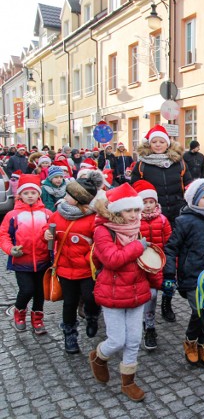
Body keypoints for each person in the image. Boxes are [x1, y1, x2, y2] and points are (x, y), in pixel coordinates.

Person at [89, 183, 162, 402]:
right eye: (128, 210)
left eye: (136, 210)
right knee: (117, 340)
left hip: (136, 290)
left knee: (134, 340)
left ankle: (128, 382)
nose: (134, 215)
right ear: (116, 210)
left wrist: (157, 279)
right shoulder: (102, 230)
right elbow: (112, 260)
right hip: (112, 293)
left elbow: (146, 260)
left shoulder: (136, 228)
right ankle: (99, 356)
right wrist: (138, 247)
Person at [163, 179, 204, 367]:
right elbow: (171, 248)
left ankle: (203, 344)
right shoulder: (184, 221)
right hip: (192, 277)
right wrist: (169, 274)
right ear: (194, 200)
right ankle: (190, 342)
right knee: (199, 311)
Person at [44, 171, 103, 353]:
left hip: (86, 269)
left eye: (69, 195)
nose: (65, 196)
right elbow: (48, 233)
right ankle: (70, 335)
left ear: (78, 199)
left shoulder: (93, 219)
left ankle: (92, 316)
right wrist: (45, 235)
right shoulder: (58, 214)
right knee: (69, 303)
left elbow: (99, 245)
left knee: (91, 297)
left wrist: (87, 259)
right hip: (64, 268)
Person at [0, 175, 53, 334]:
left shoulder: (46, 213)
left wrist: (48, 236)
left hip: (43, 260)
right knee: (27, 290)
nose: (30, 196)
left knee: (40, 292)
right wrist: (10, 249)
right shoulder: (13, 215)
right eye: (26, 193)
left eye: (33, 192)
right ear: (20, 195)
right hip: (22, 261)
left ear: (39, 194)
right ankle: (20, 311)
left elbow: (51, 231)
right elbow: (4, 235)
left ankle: (37, 319)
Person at [134, 180, 172, 351]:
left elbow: (169, 242)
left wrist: (170, 264)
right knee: (145, 295)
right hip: (139, 266)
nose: (148, 206)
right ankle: (146, 324)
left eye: (151, 202)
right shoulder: (134, 221)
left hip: (158, 265)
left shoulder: (163, 220)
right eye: (144, 202)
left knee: (154, 294)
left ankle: (150, 323)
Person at [130, 125, 193, 226]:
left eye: (162, 142)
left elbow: (189, 184)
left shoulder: (179, 162)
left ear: (167, 144)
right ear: (149, 144)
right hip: (152, 214)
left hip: (179, 210)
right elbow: (134, 187)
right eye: (154, 142)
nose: (158, 145)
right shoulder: (142, 165)